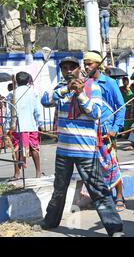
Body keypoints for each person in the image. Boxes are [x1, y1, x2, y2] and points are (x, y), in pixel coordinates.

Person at [40, 56, 123, 236]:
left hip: (86, 151)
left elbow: (96, 113)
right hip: (63, 150)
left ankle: (115, 228)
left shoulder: (92, 87)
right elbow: (45, 101)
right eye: (65, 68)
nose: (69, 71)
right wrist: (65, 90)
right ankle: (50, 221)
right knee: (59, 189)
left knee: (98, 190)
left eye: (72, 67)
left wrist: (80, 94)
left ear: (79, 69)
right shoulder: (59, 89)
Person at [83, 51, 126, 212]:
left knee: (112, 165)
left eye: (90, 64)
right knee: (95, 168)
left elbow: (121, 107)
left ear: (98, 65)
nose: (86, 67)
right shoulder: (84, 84)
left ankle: (120, 196)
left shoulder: (109, 83)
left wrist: (115, 129)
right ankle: (103, 197)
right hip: (90, 133)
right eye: (85, 63)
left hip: (106, 132)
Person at [6, 71, 43, 179]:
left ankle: (17, 173)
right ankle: (38, 173)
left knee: (16, 150)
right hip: (31, 126)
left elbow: (9, 113)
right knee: (34, 149)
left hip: (16, 127)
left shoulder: (12, 93)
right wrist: (39, 123)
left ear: (17, 81)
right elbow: (37, 110)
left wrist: (8, 127)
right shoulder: (33, 92)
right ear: (28, 81)